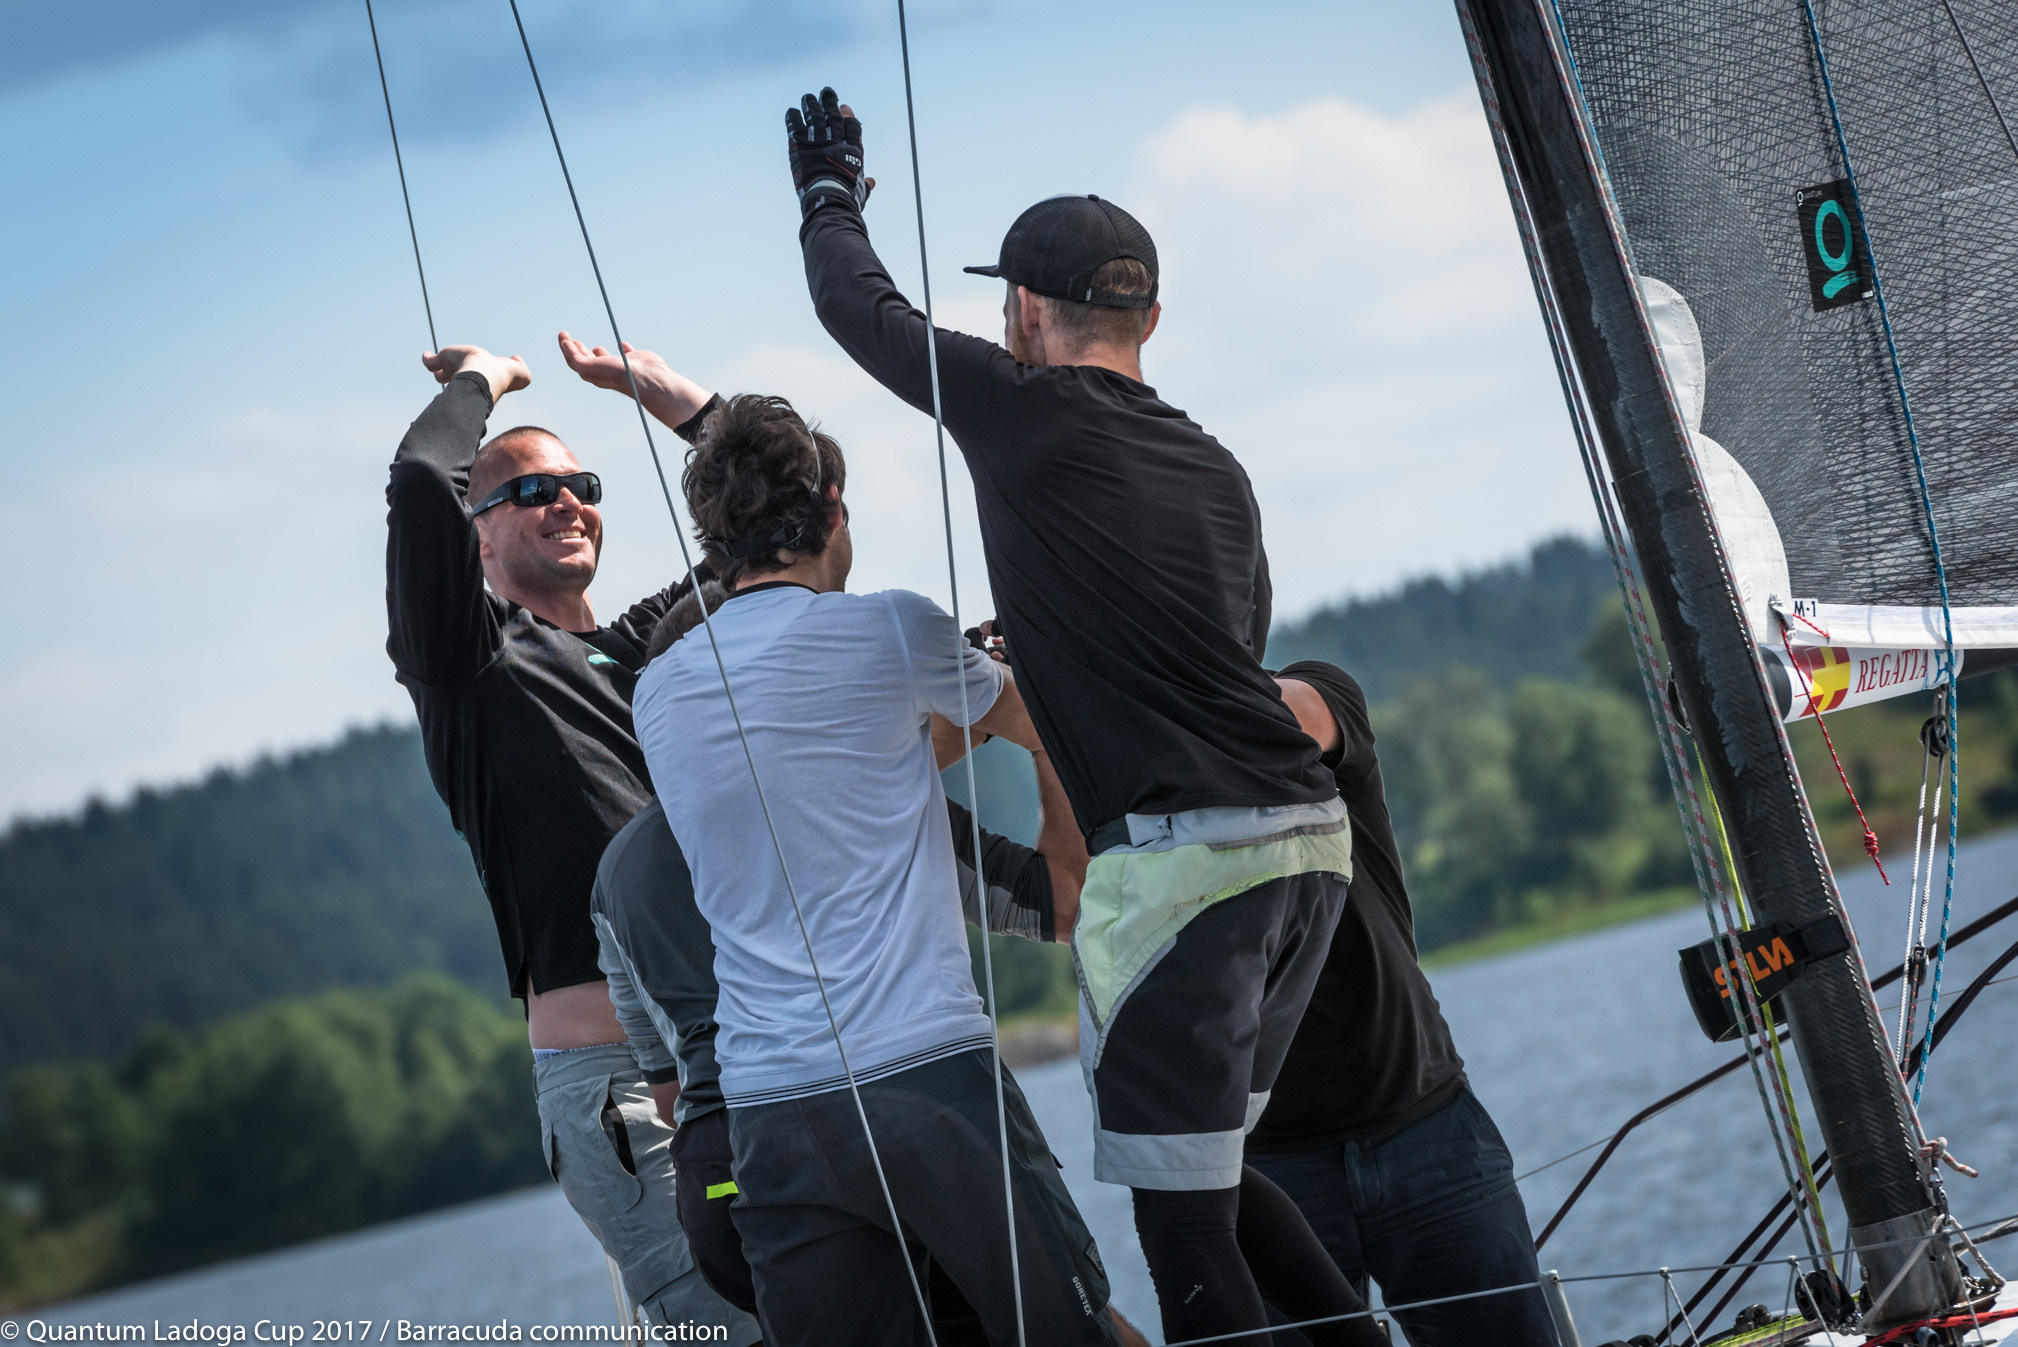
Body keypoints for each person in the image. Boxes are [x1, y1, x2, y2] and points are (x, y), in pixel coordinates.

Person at [781, 87, 1382, 1346]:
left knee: (1177, 1231)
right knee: (1209, 1184)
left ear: (1019, 315)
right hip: (1307, 851)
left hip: (1189, 873)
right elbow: (1221, 652)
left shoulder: (1018, 404)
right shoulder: (1218, 463)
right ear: (1149, 317)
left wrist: (826, 188)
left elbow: (858, 310)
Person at [631, 392, 1126, 1347]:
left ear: (716, 542)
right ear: (832, 513)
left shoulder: (657, 692)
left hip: (770, 1115)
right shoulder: (892, 628)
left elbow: (804, 763)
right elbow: (1038, 721)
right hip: (927, 1079)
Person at [384, 342, 755, 1341]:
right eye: (527, 489)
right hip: (625, 1092)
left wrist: (663, 394)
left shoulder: (644, 650)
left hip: (753, 1057)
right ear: (476, 543)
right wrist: (484, 380)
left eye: (579, 484)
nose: (563, 500)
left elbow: (780, 504)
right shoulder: (467, 664)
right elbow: (423, 479)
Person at [1251, 661, 1559, 1346]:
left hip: (1428, 1132)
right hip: (1265, 1168)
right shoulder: (1127, 760)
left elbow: (1285, 717)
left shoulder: (1314, 689)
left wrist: (1133, 668)